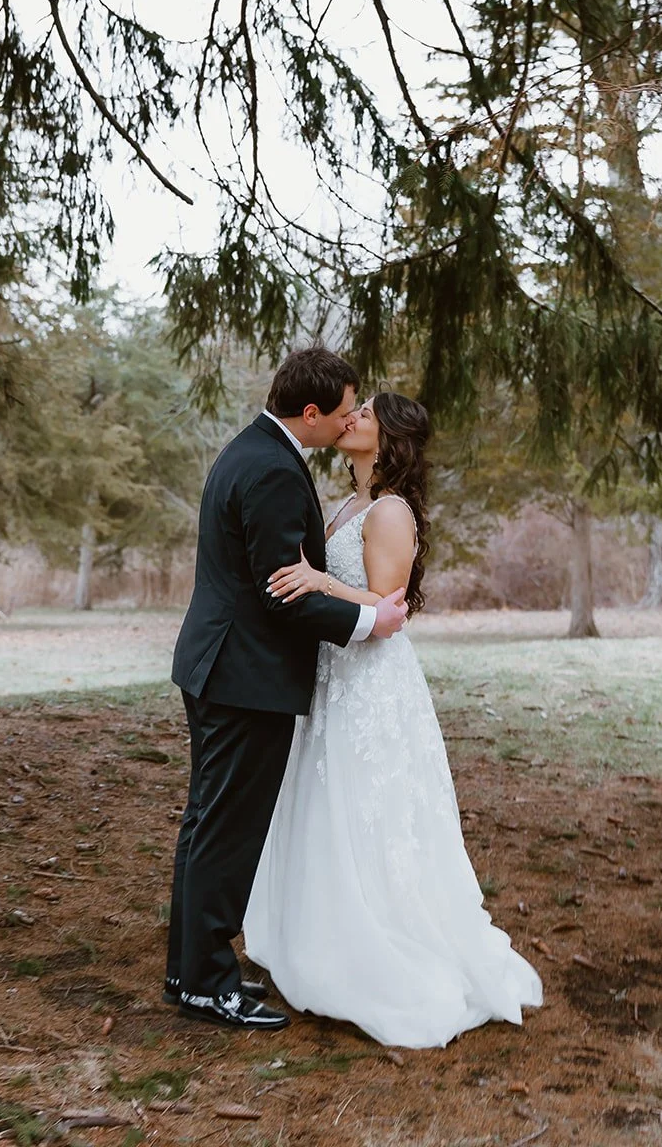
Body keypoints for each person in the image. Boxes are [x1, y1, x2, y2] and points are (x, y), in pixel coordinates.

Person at [244, 391, 543, 1047]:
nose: (351, 419)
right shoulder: (349, 505)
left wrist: (318, 583)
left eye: (365, 415)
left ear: (390, 438)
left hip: (371, 685)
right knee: (326, 805)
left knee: (370, 810)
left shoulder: (389, 512)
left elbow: (383, 610)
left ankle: (382, 949)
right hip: (331, 677)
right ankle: (318, 936)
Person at [166, 347, 410, 1030]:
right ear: (309, 412)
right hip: (245, 676)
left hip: (218, 666)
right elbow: (284, 593)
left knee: (207, 824)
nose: (345, 423)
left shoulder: (251, 450)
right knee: (226, 830)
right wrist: (369, 619)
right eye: (339, 413)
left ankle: (191, 971)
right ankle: (206, 982)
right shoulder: (273, 469)